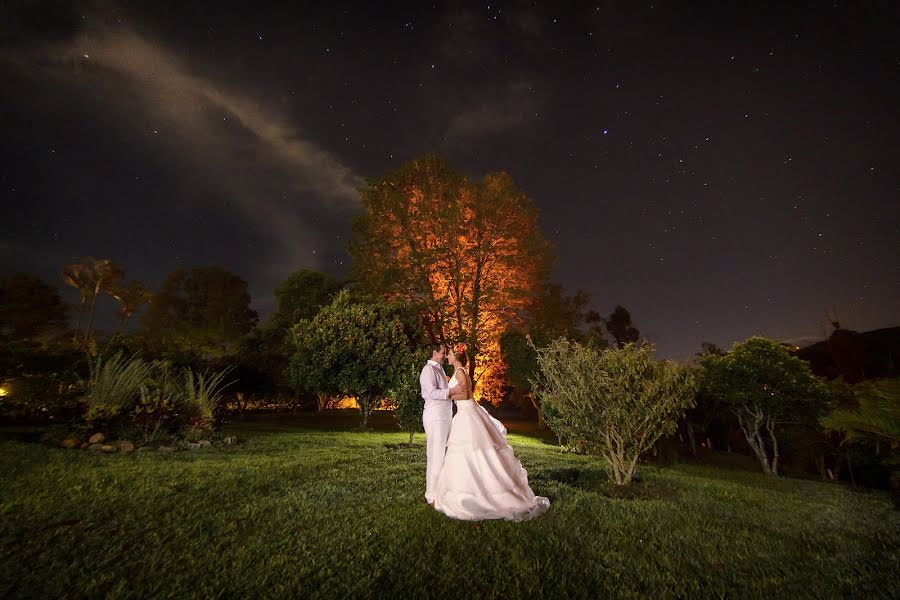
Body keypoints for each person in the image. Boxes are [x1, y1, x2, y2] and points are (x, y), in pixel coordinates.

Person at [432, 345, 550, 521]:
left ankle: (483, 492)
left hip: (467, 414)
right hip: (464, 414)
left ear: (456, 356)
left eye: (448, 354)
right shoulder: (458, 372)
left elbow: (465, 395)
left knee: (473, 451)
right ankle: (467, 487)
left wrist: (446, 394)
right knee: (465, 453)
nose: (447, 356)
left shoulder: (461, 373)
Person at [420, 342, 461, 506]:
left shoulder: (440, 369)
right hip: (435, 417)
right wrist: (451, 392)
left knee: (442, 455)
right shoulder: (428, 370)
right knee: (435, 456)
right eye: (443, 352)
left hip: (444, 417)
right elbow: (430, 393)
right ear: (434, 353)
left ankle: (440, 491)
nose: (444, 355)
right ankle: (431, 495)